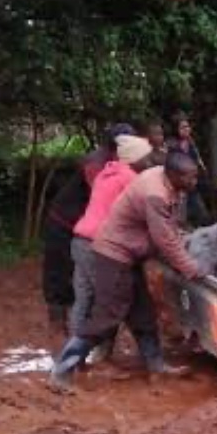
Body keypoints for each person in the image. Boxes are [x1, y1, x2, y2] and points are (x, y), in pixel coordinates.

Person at [48, 151, 202, 394]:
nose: (194, 183)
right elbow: (165, 241)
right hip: (115, 255)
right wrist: (192, 269)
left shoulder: (160, 178)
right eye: (190, 178)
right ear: (173, 174)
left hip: (128, 253)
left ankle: (156, 364)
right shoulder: (156, 194)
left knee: (142, 312)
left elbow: (168, 230)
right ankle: (62, 371)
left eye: (195, 177)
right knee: (108, 315)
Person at [40, 123, 133, 335]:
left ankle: (77, 331)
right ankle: (59, 324)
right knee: (60, 273)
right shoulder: (96, 163)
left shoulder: (114, 162)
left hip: (83, 225)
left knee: (81, 283)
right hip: (64, 221)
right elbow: (101, 197)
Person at [69, 134, 155, 336]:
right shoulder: (132, 180)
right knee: (109, 301)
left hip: (79, 241)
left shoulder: (105, 174)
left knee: (84, 298)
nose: (150, 162)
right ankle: (95, 352)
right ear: (134, 159)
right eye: (146, 157)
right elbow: (146, 217)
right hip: (101, 245)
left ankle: (74, 353)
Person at [167, 113, 209, 225]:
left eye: (187, 127)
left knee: (202, 214)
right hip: (181, 185)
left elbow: (197, 159)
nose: (186, 130)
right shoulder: (171, 145)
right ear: (175, 129)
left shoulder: (190, 142)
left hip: (193, 183)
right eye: (182, 127)